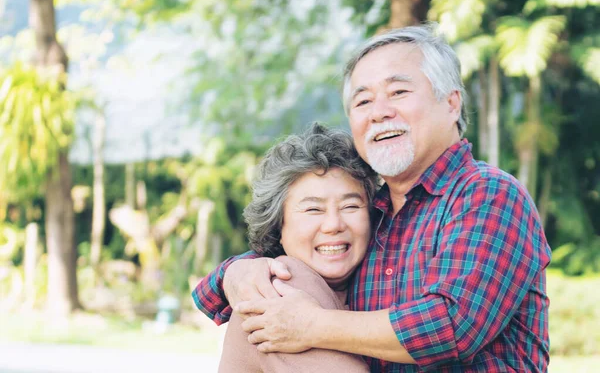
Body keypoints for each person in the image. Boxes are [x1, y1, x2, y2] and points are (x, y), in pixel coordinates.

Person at [193, 24, 552, 372]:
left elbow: (451, 325)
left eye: (398, 93)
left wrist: (313, 325)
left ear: (452, 104)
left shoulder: (486, 194)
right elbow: (289, 253)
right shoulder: (371, 213)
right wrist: (235, 272)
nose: (379, 112)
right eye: (363, 100)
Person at [209, 123, 377, 372]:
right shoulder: (279, 285)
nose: (333, 225)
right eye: (313, 209)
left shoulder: (379, 283)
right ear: (278, 225)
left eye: (350, 206)